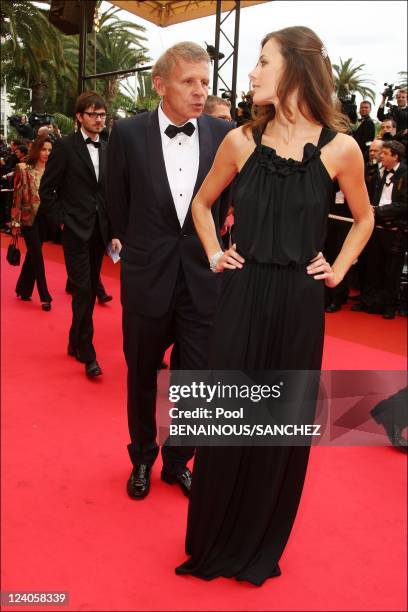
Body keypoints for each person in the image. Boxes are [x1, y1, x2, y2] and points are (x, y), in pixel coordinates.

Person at [175, 26, 374, 585]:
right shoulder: (240, 141)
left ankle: (259, 543)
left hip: (298, 302)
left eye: (263, 62)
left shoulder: (341, 148)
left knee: (277, 424)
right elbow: (202, 204)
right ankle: (213, 539)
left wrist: (338, 269)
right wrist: (216, 253)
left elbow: (364, 219)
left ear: (294, 70)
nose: (253, 72)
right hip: (242, 294)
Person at [106, 42, 234, 500]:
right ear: (160, 84)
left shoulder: (224, 134)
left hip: (202, 280)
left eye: (205, 82)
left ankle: (179, 460)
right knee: (141, 374)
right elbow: (115, 202)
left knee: (195, 378)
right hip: (147, 277)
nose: (201, 92)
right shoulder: (125, 133)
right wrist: (136, 249)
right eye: (189, 82)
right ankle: (142, 457)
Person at [39, 91, 121, 378]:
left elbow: (110, 193)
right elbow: (46, 190)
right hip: (75, 231)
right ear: (79, 116)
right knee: (84, 290)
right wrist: (62, 223)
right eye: (93, 114)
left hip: (100, 231)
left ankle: (75, 341)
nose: (99, 119)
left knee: (86, 291)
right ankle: (88, 353)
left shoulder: (110, 148)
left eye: (102, 115)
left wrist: (114, 231)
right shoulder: (64, 146)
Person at [352, 140, 407, 319]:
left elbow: (404, 205)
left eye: (384, 153)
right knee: (372, 265)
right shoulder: (377, 172)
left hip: (395, 230)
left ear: (395, 156)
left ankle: (389, 304)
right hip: (375, 227)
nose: (379, 156)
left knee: (392, 270)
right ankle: (369, 301)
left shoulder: (406, 174)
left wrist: (378, 211)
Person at [10, 136, 53, 310]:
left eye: (50, 150)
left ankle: (23, 289)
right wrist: (15, 221)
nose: (47, 153)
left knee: (32, 255)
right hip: (28, 219)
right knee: (37, 255)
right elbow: (17, 196)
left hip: (45, 219)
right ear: (36, 149)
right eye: (43, 149)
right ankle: (45, 296)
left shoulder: (52, 170)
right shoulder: (23, 168)